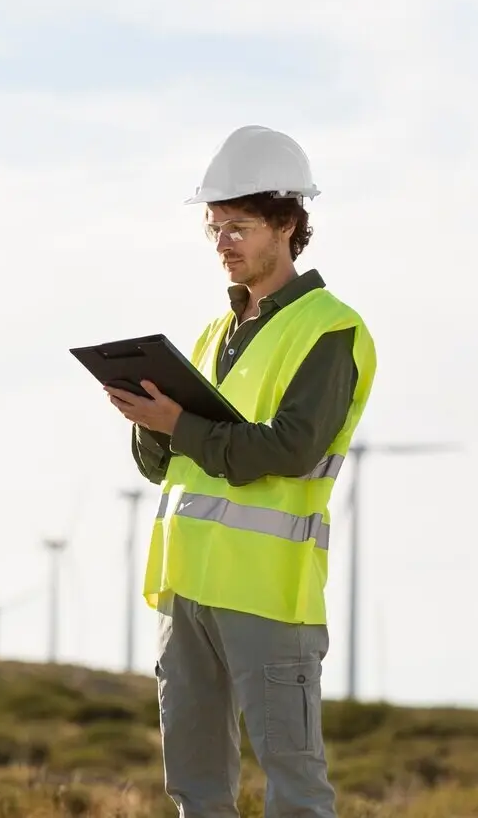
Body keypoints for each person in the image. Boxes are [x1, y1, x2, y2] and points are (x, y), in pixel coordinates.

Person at [105, 125, 377, 818]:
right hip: (186, 586)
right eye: (214, 226)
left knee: (293, 785)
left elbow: (287, 449)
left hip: (267, 593)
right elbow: (171, 466)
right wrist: (149, 423)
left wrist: (180, 426)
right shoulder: (209, 335)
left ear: (287, 224)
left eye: (239, 226)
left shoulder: (329, 330)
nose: (222, 242)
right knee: (195, 788)